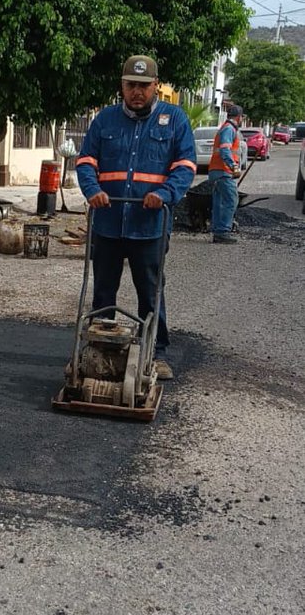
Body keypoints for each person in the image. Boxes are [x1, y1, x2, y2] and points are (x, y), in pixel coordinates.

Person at [76, 56, 197, 381]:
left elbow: (186, 165)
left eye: (144, 85)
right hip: (108, 221)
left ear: (155, 85)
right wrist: (92, 190)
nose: (137, 92)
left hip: (150, 226)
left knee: (151, 291)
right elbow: (86, 160)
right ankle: (100, 349)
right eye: (131, 85)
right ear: (122, 85)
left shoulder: (175, 120)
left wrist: (166, 194)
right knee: (103, 291)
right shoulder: (105, 120)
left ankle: (156, 354)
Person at [208, 103, 243, 244]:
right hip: (223, 171)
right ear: (239, 117)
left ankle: (218, 231)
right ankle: (222, 231)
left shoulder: (225, 128)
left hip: (216, 171)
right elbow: (225, 150)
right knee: (231, 200)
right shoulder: (229, 129)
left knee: (219, 201)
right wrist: (233, 166)